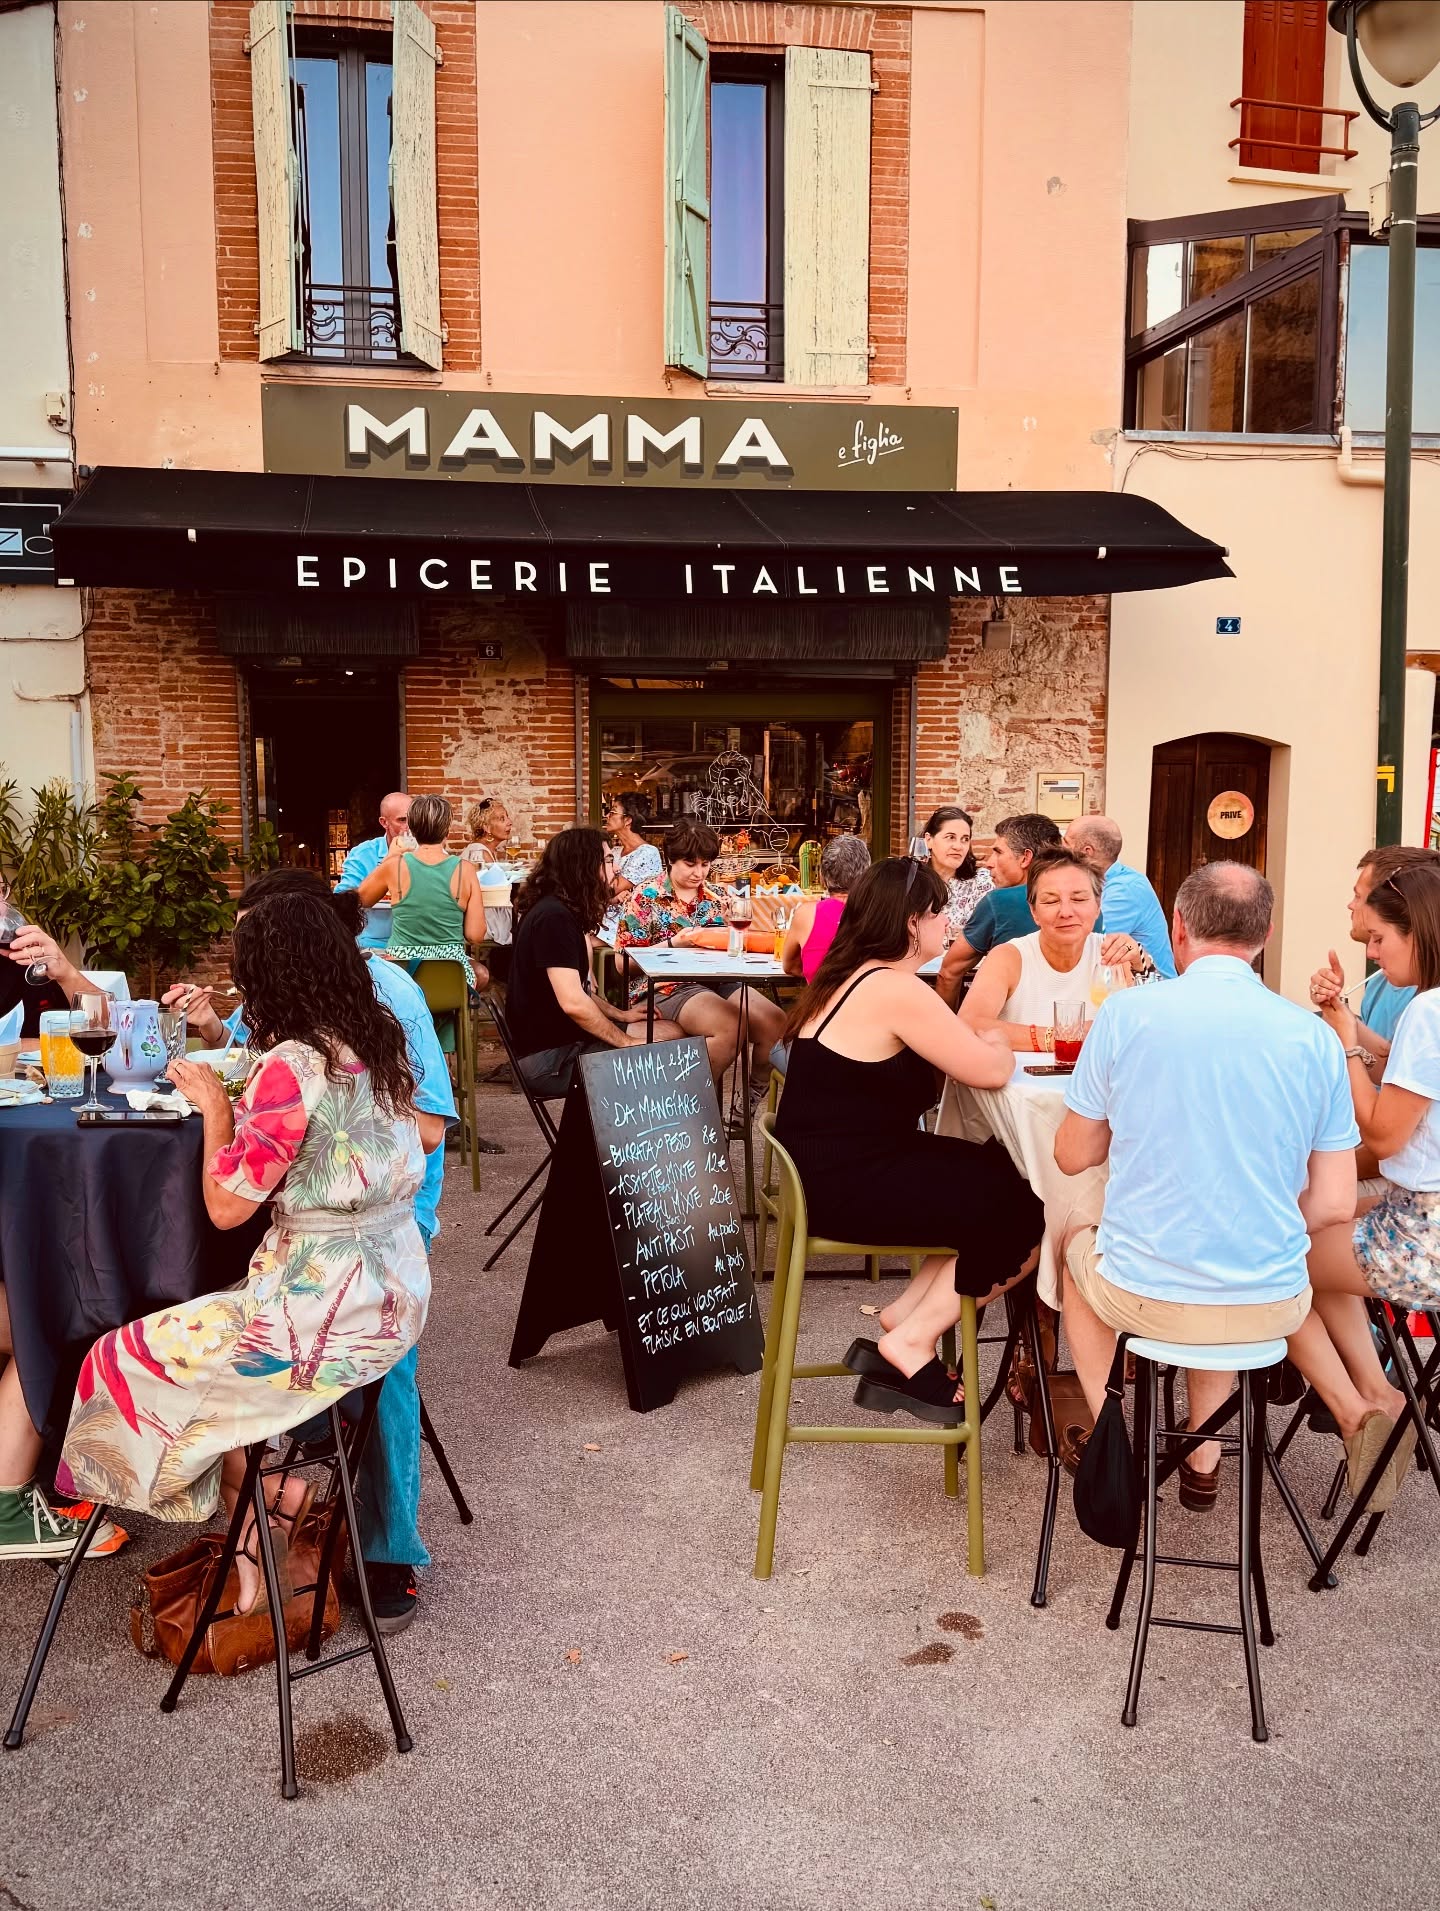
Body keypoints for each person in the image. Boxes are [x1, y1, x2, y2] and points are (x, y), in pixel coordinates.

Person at [50, 893, 437, 1614]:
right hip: (392, 1294)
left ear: (269, 975)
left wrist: (217, 1112)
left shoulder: (291, 1065)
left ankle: (259, 1504)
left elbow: (228, 1208)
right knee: (201, 1355)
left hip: (315, 1318)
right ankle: (260, 1514)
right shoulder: (378, 1038)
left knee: (114, 1356)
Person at [162, 869, 456, 1631]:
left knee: (145, 1345)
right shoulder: (349, 1020)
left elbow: (428, 1126)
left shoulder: (386, 999)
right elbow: (261, 1067)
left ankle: (362, 1542)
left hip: (371, 1243)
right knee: (228, 1299)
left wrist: (228, 1112)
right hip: (365, 1260)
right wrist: (214, 1028)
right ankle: (285, 1492)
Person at [1054, 863, 1362, 1512]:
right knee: (1219, 1247)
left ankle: (1111, 1427)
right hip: (1272, 1305)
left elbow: (1072, 1151)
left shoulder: (1128, 1015)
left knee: (1073, 1241)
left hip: (1147, 1295)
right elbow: (1334, 1203)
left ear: (1179, 927)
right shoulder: (1314, 1038)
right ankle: (1202, 1448)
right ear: (1267, 935)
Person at [773, 858, 1043, 1421]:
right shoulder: (894, 988)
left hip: (833, 1171)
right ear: (914, 921)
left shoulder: (852, 976)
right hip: (851, 1183)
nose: (948, 925)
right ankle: (913, 1339)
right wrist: (1000, 1043)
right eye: (942, 913)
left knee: (1002, 1170)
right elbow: (988, 1069)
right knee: (1036, 1207)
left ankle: (906, 1312)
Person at [1288, 861, 1440, 1510]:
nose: (1370, 950)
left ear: (1421, 929)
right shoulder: (1427, 1013)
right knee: (1316, 1221)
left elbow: (1382, 1137)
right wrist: (1344, 1014)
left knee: (1272, 1254)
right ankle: (1375, 1393)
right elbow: (1407, 1064)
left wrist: (1345, 1041)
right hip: (1423, 1210)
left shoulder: (1430, 1012)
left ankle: (1363, 1405)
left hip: (1424, 1236)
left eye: (1379, 937)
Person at [614, 819, 786, 1097]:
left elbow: (736, 952)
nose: (699, 872)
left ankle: (748, 1104)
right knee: (729, 1026)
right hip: (666, 987)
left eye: (705, 864)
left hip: (718, 981)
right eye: (690, 864)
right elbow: (622, 965)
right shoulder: (644, 897)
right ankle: (689, 1110)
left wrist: (735, 927)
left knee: (775, 1021)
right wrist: (673, 943)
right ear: (670, 859)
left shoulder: (717, 896)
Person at [508, 827, 684, 1098]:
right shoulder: (553, 918)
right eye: (608, 860)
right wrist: (625, 1041)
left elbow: (580, 990)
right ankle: (632, 1134)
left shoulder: (558, 910)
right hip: (550, 1061)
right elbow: (574, 1002)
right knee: (667, 1046)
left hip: (562, 1045)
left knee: (671, 1031)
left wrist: (620, 1014)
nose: (615, 870)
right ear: (584, 867)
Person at [959, 847, 1145, 1052]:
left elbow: (1142, 1027)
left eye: (1079, 899)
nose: (1066, 912)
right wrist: (1063, 1036)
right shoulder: (1010, 957)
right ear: (1034, 912)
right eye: (1051, 901)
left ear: (1098, 906)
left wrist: (1139, 963)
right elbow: (970, 1024)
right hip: (1020, 1081)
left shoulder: (1112, 953)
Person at [1309, 844, 1440, 1061]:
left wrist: (1350, 1049)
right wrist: (1340, 1012)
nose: (1351, 905)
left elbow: (1390, 1090)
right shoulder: (1385, 980)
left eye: (1359, 896)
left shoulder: (1427, 1004)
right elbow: (1389, 1062)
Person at [358, 793, 489, 986]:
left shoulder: (395, 865)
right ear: (447, 831)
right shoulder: (466, 870)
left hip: (403, 974)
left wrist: (389, 858)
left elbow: (360, 900)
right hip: (451, 976)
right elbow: (475, 935)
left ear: (412, 829)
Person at [936, 813, 1061, 1006]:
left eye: (998, 852)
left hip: (1007, 1026)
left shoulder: (999, 902)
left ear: (1025, 858)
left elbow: (949, 972)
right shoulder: (1088, 905)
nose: (989, 862)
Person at [1064, 814, 1176, 978]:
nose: (1060, 847)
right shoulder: (1108, 880)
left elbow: (1088, 947)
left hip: (1150, 990)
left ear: (1087, 852)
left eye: (1066, 842)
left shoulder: (1123, 890)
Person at [781, 834, 871, 982]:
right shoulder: (880, 913)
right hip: (870, 1002)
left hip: (822, 1001)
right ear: (867, 876)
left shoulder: (806, 915)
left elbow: (790, 967)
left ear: (822, 877)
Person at [336, 790, 412, 950]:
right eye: (403, 820)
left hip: (417, 945)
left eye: (414, 819)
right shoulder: (363, 854)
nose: (409, 827)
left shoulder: (426, 851)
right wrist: (390, 861)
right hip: (374, 944)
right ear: (384, 822)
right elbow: (342, 902)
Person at [597, 792, 663, 945]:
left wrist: (604, 895)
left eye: (613, 812)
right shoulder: (615, 852)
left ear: (627, 820)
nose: (607, 815)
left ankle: (590, 971)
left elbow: (610, 889)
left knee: (579, 934)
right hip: (605, 918)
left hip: (628, 924)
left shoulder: (647, 853)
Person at [923, 805, 992, 946]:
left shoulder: (981, 881)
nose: (958, 846)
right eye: (950, 837)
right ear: (929, 840)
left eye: (965, 839)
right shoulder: (911, 881)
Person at [462, 796, 513, 869]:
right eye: (502, 819)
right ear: (487, 827)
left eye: (507, 817)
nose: (510, 822)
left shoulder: (484, 849)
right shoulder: (480, 854)